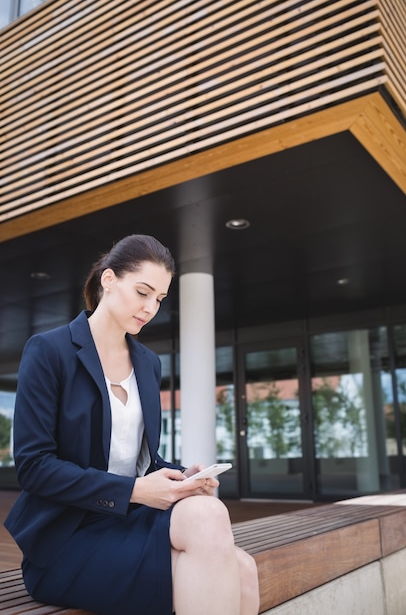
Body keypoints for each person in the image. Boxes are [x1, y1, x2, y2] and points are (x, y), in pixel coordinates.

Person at [5, 234, 259, 615]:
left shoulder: (147, 363)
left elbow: (139, 457)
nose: (150, 308)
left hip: (128, 520)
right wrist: (136, 491)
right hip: (67, 536)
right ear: (109, 280)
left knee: (235, 553)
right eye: (142, 292)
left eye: (159, 299)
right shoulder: (49, 351)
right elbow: (34, 467)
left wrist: (180, 476)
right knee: (235, 566)